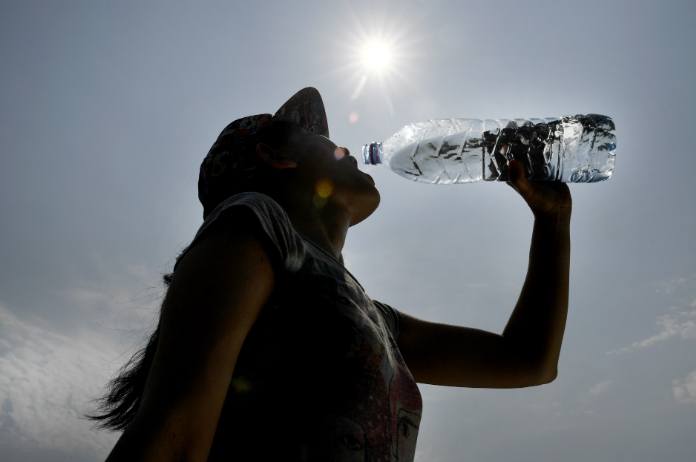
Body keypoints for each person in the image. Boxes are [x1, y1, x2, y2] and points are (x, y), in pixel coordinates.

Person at [89, 87, 572, 462]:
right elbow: (173, 441)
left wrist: (552, 222)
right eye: (325, 142)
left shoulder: (371, 315)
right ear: (277, 157)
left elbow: (527, 361)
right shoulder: (254, 224)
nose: (347, 149)